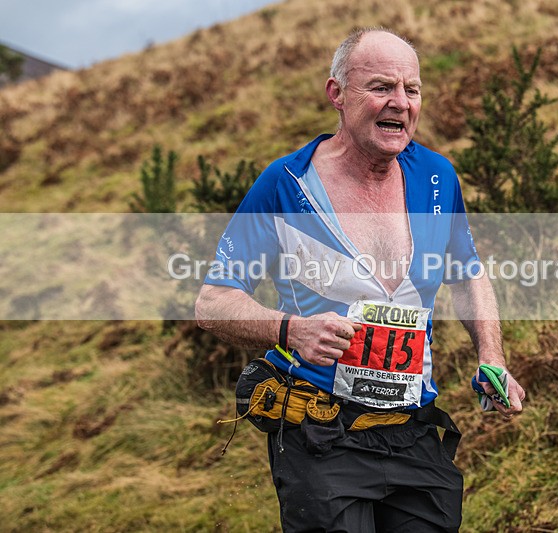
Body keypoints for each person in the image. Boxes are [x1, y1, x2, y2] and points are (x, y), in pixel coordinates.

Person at [195, 27, 525, 532]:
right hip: (319, 432)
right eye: (380, 87)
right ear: (337, 94)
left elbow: (468, 274)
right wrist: (292, 330)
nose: (400, 102)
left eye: (411, 90)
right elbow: (213, 302)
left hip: (413, 430)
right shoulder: (287, 184)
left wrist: (492, 356)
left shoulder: (437, 177)